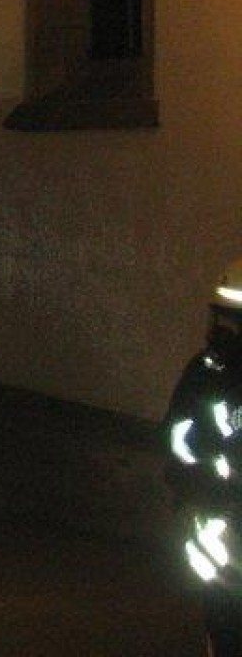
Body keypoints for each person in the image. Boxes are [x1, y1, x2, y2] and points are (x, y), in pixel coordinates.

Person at [164, 257, 242, 657]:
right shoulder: (207, 374)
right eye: (222, 321)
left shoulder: (207, 372)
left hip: (219, 528)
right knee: (225, 621)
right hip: (221, 531)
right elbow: (179, 443)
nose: (223, 332)